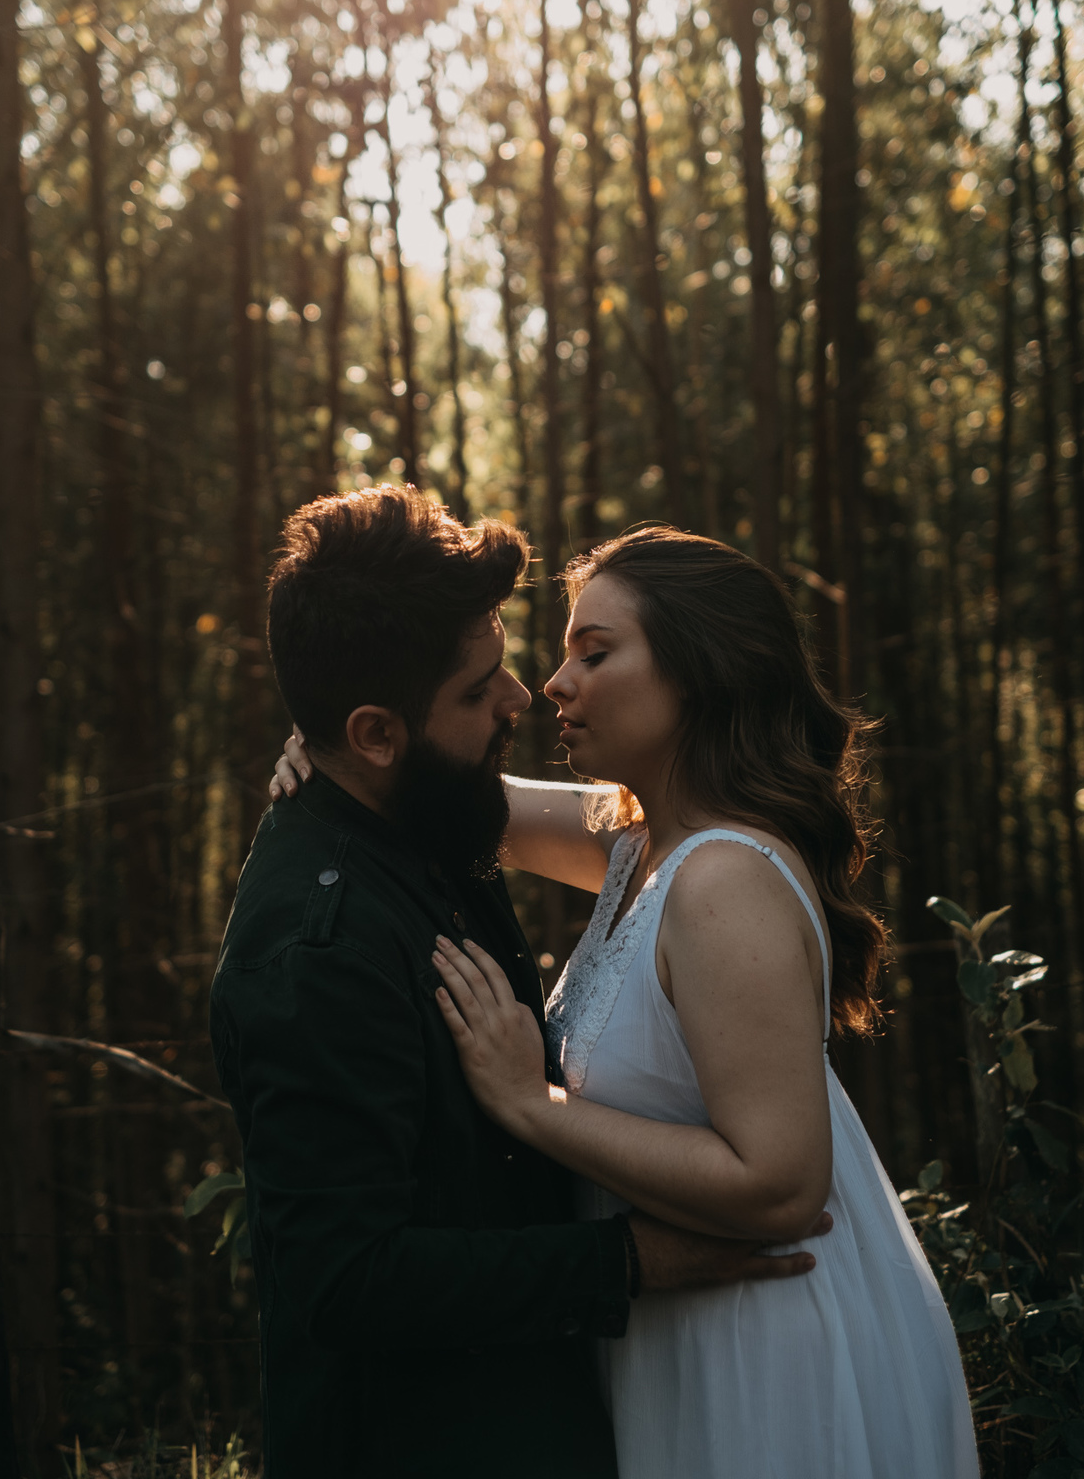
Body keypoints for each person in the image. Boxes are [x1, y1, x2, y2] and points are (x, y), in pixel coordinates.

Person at [220, 487, 826, 1479]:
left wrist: (337, 747)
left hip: (683, 1364)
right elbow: (342, 1277)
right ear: (377, 733)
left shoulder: (472, 817)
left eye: (589, 653)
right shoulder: (323, 942)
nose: (530, 694)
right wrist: (626, 1262)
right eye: (479, 690)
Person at [422, 526, 980, 1479]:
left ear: (700, 672)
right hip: (677, 1339)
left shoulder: (724, 879)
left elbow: (780, 1183)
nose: (557, 683)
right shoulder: (641, 846)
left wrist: (531, 1105)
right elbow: (469, 802)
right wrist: (323, 751)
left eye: (594, 653)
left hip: (762, 1356)